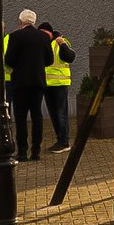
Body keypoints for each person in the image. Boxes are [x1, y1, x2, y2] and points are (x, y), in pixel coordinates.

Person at [4, 9, 53, 162]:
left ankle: (22, 152)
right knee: (37, 115)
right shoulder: (43, 37)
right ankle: (36, 151)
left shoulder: (15, 36)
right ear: (34, 22)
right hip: (38, 81)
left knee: (20, 116)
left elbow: (9, 60)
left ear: (20, 22)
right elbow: (50, 60)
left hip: (20, 82)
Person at [38, 22, 76, 152]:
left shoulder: (60, 42)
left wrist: (62, 43)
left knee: (61, 114)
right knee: (54, 115)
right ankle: (60, 140)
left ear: (50, 32)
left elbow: (70, 57)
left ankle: (64, 142)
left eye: (44, 32)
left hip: (60, 84)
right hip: (47, 84)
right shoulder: (43, 44)